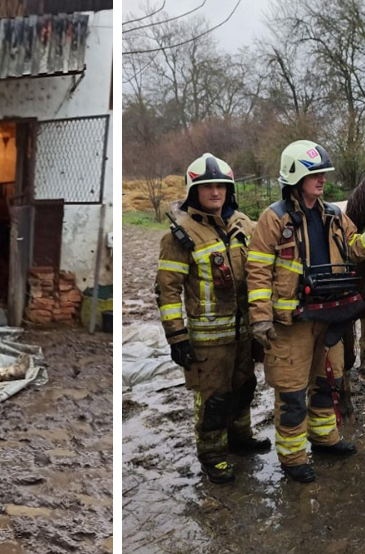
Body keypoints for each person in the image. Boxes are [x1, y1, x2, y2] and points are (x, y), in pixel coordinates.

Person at [247, 140, 365, 483]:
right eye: (314, 174)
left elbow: (356, 248)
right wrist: (260, 316)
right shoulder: (273, 219)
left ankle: (325, 438)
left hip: (330, 317)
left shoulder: (334, 215)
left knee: (325, 383)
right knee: (291, 392)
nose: (322, 180)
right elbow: (257, 271)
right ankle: (292, 457)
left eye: (323, 174)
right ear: (295, 176)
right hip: (292, 322)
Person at [155, 153, 270, 484]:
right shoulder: (179, 236)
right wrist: (177, 336)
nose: (216, 192)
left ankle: (240, 438)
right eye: (208, 187)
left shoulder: (245, 225)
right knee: (214, 398)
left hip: (246, 332)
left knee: (244, 387)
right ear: (195, 191)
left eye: (221, 186)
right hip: (208, 339)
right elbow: (167, 291)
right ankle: (212, 454)